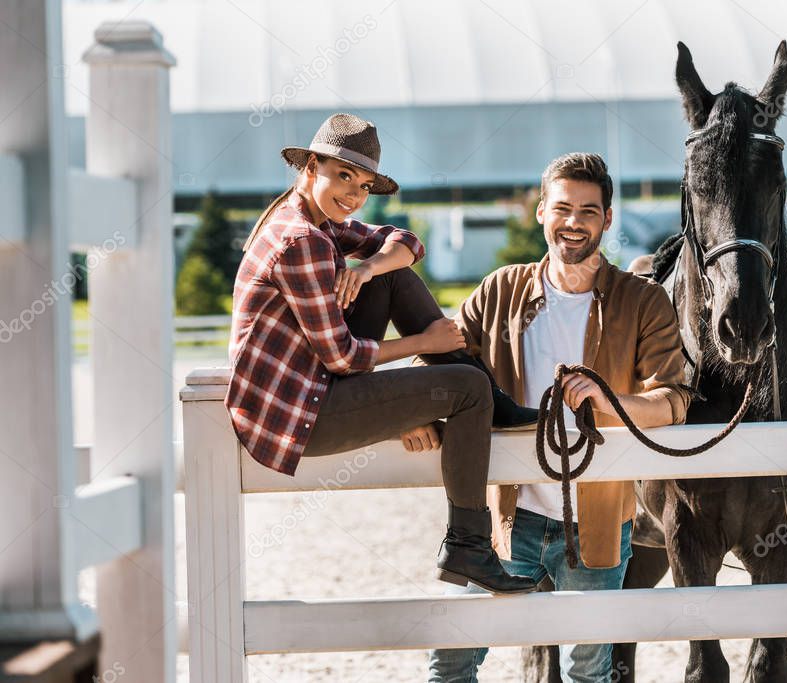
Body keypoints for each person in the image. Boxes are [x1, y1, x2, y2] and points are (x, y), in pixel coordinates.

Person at [226, 113, 537, 594]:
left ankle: (490, 402)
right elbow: (343, 359)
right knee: (467, 389)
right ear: (311, 166)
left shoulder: (316, 219)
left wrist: (369, 267)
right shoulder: (300, 241)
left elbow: (408, 243)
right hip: (298, 413)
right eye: (343, 176)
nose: (353, 195)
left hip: (314, 388)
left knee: (392, 275)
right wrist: (425, 345)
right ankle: (468, 546)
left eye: (364, 184)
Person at [426, 153, 692, 681]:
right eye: (563, 208)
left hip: (597, 522)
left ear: (607, 219)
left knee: (588, 673)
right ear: (541, 211)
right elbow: (437, 360)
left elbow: (674, 401)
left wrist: (607, 401)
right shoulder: (500, 290)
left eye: (589, 211)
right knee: (450, 660)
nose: (574, 222)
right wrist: (419, 416)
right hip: (507, 517)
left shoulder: (644, 302)